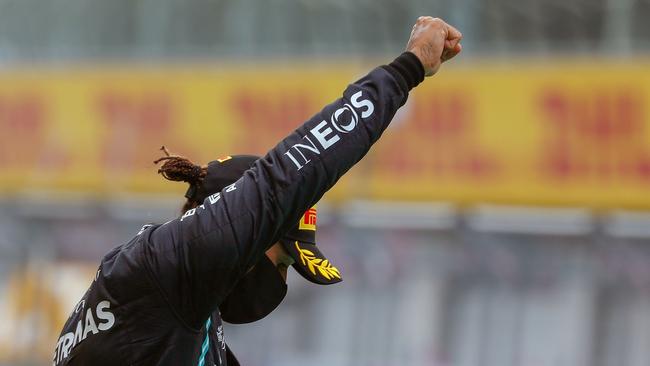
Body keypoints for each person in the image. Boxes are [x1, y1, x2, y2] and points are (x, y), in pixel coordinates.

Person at [53, 16, 463, 366]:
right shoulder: (162, 266)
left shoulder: (185, 307)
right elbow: (286, 176)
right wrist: (405, 71)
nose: (280, 282)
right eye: (283, 263)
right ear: (242, 227)